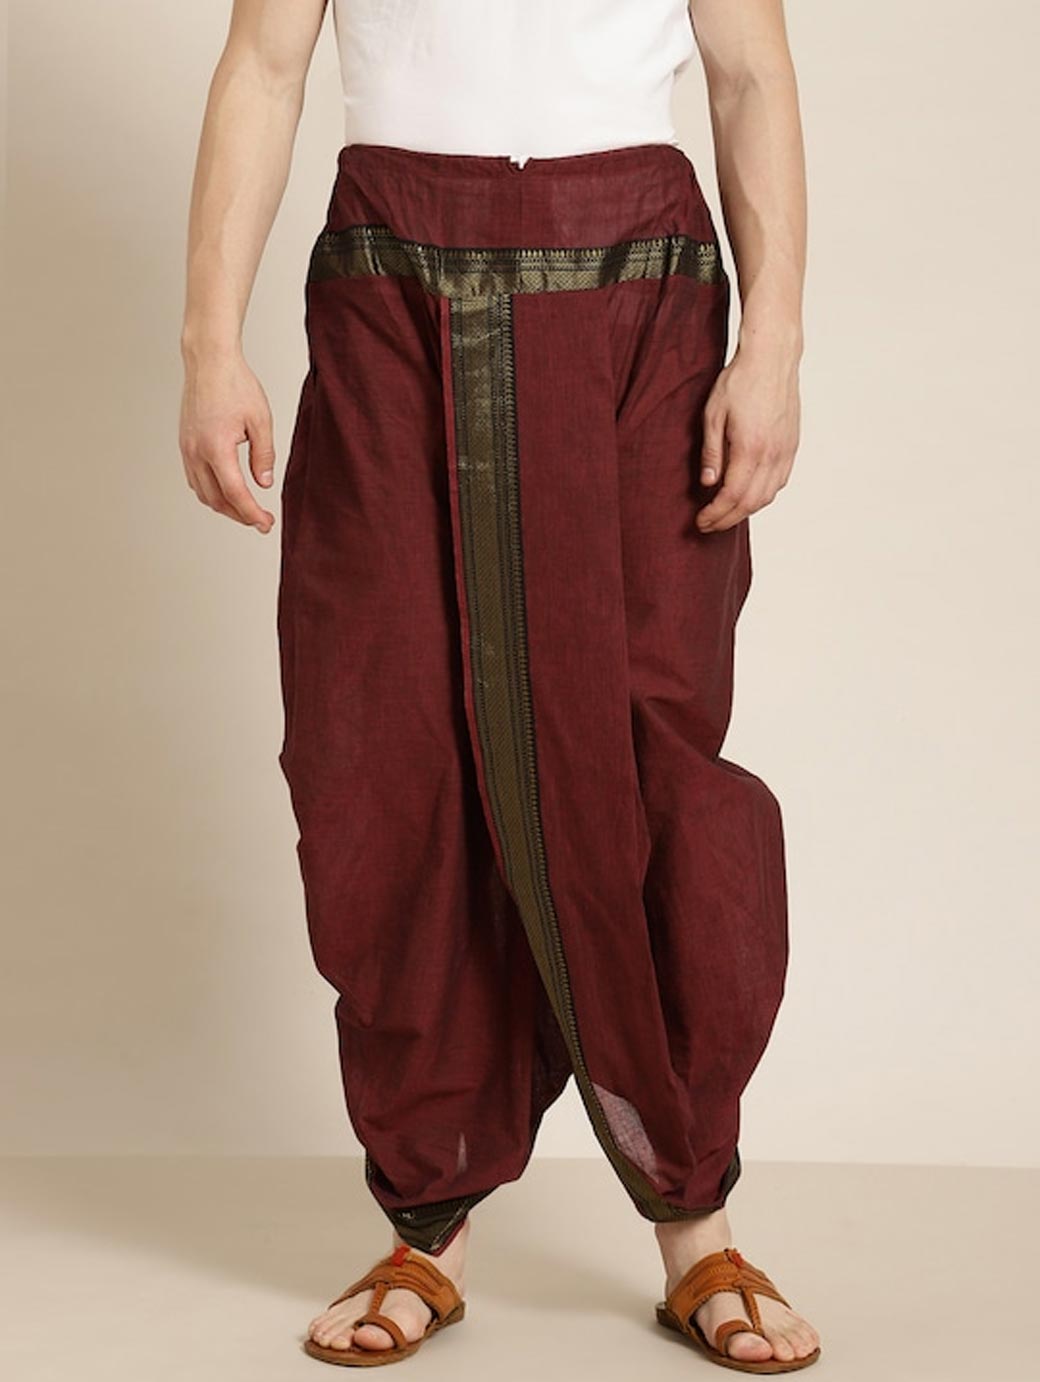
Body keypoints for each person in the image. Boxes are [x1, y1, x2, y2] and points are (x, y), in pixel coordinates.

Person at [178, 0, 819, 1372]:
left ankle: (696, 1224)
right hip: (388, 290)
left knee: (647, 746)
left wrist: (772, 348)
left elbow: (751, 76)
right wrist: (208, 344)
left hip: (640, 291)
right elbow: (264, 67)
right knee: (382, 748)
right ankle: (428, 1223)